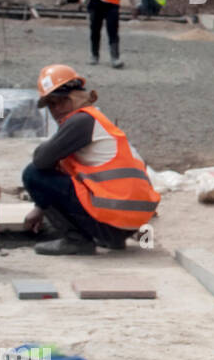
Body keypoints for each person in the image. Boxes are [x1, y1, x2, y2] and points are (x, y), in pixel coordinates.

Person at [22, 64, 159, 255]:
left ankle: (76, 240)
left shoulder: (80, 121)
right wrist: (40, 207)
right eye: (51, 104)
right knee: (58, 172)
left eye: (61, 101)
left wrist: (42, 202)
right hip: (128, 221)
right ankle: (110, 238)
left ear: (76, 97)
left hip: (114, 218)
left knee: (33, 174)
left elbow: (41, 161)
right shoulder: (96, 120)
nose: (56, 109)